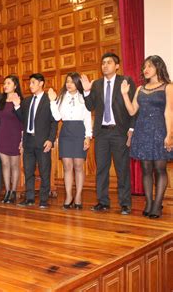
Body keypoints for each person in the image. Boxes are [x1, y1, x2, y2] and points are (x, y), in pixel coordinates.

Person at [81, 52, 136, 215]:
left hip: (119, 132)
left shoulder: (125, 82)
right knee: (101, 169)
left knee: (122, 169)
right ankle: (103, 202)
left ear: (117, 66)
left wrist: (131, 130)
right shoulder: (97, 84)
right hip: (102, 133)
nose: (105, 65)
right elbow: (90, 106)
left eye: (109, 62)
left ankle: (125, 203)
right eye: (103, 63)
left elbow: (133, 107)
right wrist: (86, 92)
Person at [120, 55, 173, 218]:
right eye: (144, 67)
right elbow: (132, 111)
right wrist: (124, 94)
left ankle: (157, 204)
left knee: (160, 168)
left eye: (149, 66)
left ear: (158, 67)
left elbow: (169, 111)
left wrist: (169, 134)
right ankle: (149, 202)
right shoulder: (139, 89)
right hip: (142, 131)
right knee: (146, 169)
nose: (146, 69)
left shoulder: (168, 87)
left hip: (159, 130)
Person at [48, 73, 92, 210]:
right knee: (67, 166)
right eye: (67, 82)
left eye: (72, 82)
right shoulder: (61, 97)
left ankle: (78, 196)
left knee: (78, 165)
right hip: (66, 131)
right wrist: (52, 101)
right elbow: (57, 116)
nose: (69, 84)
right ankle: (68, 196)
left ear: (77, 84)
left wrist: (88, 136)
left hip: (80, 131)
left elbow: (87, 117)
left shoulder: (84, 98)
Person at [14, 73, 57, 209]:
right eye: (30, 83)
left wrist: (51, 140)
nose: (30, 85)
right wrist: (16, 107)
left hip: (43, 142)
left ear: (41, 83)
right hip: (28, 141)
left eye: (33, 82)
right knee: (28, 171)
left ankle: (44, 199)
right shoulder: (26, 101)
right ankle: (30, 198)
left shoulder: (48, 99)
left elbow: (54, 122)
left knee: (45, 171)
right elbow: (22, 120)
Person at [0, 75, 23, 204]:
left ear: (15, 85)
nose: (5, 85)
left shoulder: (19, 101)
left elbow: (23, 121)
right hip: (2, 135)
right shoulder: (1, 100)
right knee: (5, 164)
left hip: (15, 136)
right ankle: (7, 191)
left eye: (8, 83)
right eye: (4, 83)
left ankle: (13, 191)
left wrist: (22, 140)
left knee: (14, 165)